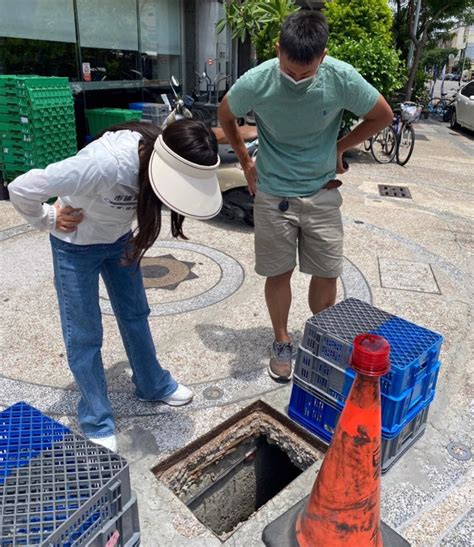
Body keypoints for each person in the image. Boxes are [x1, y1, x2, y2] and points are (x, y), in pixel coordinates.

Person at [8, 119, 222, 451]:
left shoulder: (154, 158)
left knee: (135, 313)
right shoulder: (103, 164)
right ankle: (96, 418)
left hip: (120, 240)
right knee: (84, 334)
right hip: (75, 245)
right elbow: (21, 187)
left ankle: (152, 384)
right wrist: (48, 218)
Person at [218, 11, 393, 382]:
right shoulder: (259, 80)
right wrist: (246, 162)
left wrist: (340, 147)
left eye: (306, 73)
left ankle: (320, 337)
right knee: (278, 272)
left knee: (327, 271)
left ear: (323, 56)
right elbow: (225, 112)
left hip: (322, 192)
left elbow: (382, 115)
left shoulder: (340, 77)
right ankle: (282, 340)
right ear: (278, 50)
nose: (297, 79)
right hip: (272, 193)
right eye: (290, 70)